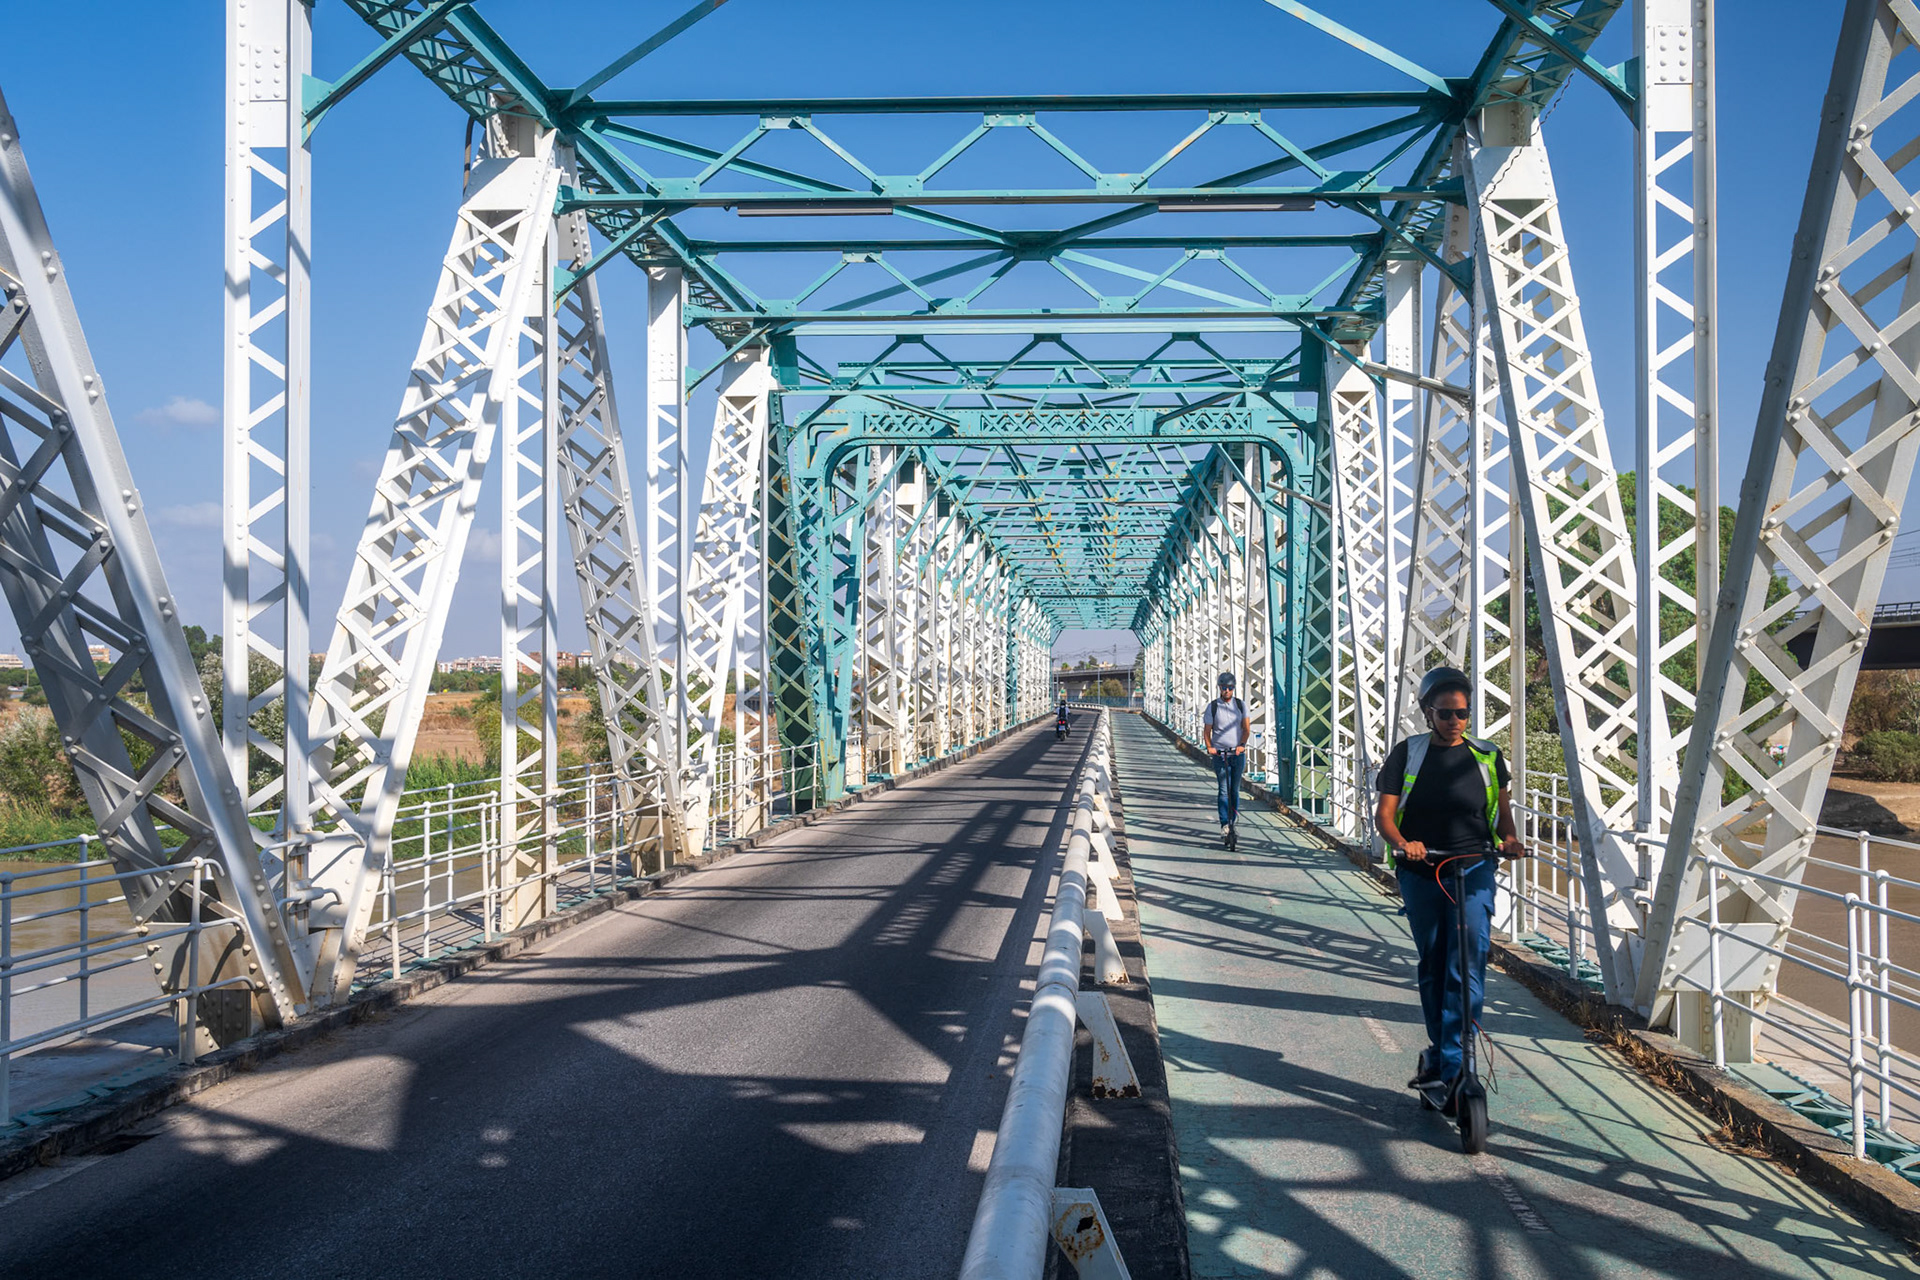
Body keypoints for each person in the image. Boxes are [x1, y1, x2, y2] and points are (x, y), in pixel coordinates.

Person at [1374, 666, 1526, 1108]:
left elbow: (1500, 811)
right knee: (1436, 963)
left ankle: (1456, 1064)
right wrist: (1405, 844)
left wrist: (1510, 840)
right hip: (1423, 870)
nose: (1455, 721)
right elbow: (1385, 816)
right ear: (1427, 712)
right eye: (1445, 714)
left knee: (1470, 960)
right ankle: (1441, 1056)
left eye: (1463, 713)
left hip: (1474, 864)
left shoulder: (1487, 756)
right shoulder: (1409, 754)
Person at [1202, 672, 1249, 849]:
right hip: (1220, 755)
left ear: (1233, 688)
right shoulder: (1213, 707)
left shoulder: (1241, 705)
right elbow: (1207, 732)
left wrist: (1242, 745)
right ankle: (1224, 824)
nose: (1227, 690)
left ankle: (1233, 821)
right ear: (1219, 688)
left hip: (1237, 754)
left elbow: (1246, 729)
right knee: (1223, 790)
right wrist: (1210, 747)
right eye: (1224, 688)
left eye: (1230, 688)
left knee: (1234, 790)